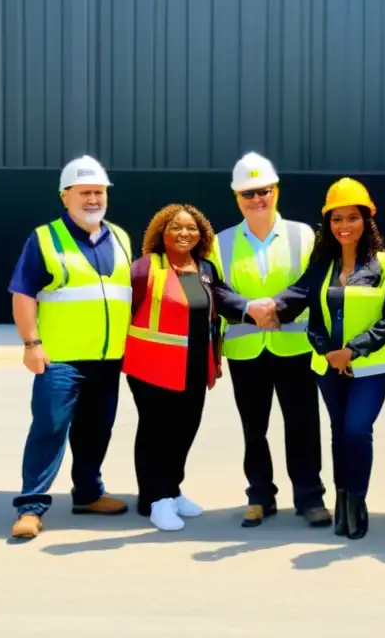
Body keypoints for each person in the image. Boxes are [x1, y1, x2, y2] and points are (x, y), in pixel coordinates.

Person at [269, 178, 385, 540]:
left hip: (371, 366)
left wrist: (355, 349)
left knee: (356, 429)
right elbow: (312, 313)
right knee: (338, 432)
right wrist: (328, 352)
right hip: (329, 366)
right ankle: (342, 500)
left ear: (367, 220)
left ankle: (357, 501)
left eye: (352, 217)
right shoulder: (323, 265)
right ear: (328, 224)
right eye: (336, 219)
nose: (345, 226)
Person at [8, 156, 133, 540]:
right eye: (85, 192)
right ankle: (31, 505)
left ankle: (89, 493)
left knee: (97, 429)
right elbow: (23, 292)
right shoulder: (44, 238)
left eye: (99, 191)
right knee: (50, 428)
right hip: (59, 357)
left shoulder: (122, 237)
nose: (93, 199)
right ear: (66, 197)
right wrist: (32, 344)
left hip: (108, 358)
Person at [210, 152, 330, 528]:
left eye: (263, 191)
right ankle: (260, 495)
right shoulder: (221, 241)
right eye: (248, 194)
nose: (257, 199)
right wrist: (249, 307)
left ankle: (310, 497)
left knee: (303, 424)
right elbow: (215, 289)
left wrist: (276, 306)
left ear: (276, 191)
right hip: (246, 350)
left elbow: (311, 281)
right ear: (237, 198)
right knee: (254, 427)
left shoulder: (302, 234)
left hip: (293, 346)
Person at [122, 204, 252, 531]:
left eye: (191, 228)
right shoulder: (144, 268)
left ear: (201, 234)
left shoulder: (204, 268)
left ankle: (172, 488)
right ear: (161, 233)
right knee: (156, 433)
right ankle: (155, 498)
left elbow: (218, 308)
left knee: (184, 430)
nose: (184, 233)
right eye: (176, 227)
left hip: (194, 366)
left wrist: (218, 354)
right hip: (152, 368)